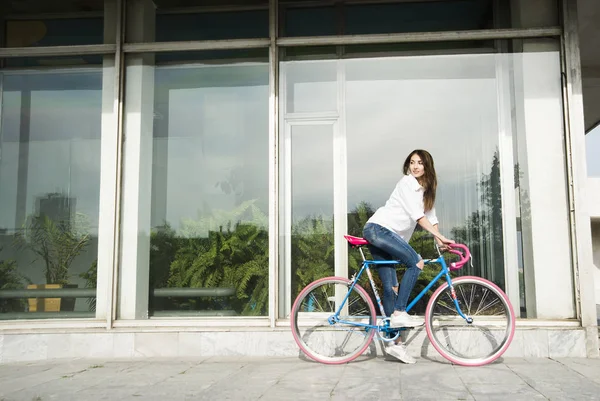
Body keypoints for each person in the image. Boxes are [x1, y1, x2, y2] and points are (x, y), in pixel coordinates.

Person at [362, 149, 454, 364]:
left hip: (387, 235)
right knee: (416, 262)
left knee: (391, 288)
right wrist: (438, 235)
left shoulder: (425, 192)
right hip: (379, 229)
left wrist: (440, 241)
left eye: (420, 163)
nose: (415, 166)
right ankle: (399, 312)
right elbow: (419, 217)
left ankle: (394, 344)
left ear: (427, 166)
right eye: (412, 162)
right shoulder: (406, 183)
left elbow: (431, 217)